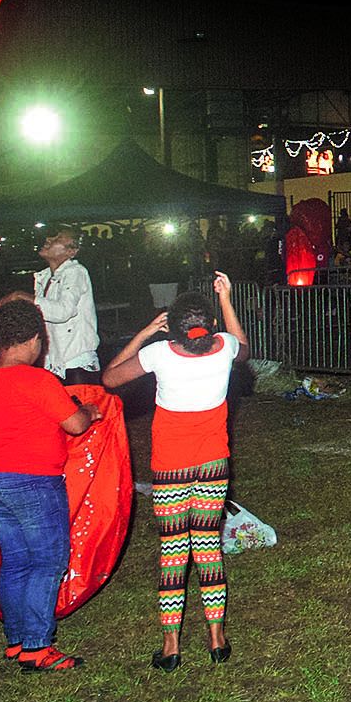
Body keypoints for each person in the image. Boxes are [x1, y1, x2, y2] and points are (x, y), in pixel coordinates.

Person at [104, 273, 248, 669]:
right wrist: (226, 301)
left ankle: (171, 646)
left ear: (174, 329)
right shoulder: (224, 348)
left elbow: (110, 377)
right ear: (210, 325)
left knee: (174, 551)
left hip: (171, 469)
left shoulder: (161, 353)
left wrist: (145, 332)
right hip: (214, 465)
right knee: (208, 546)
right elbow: (244, 347)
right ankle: (217, 638)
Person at [0, 300, 101, 671]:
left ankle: (16, 640)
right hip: (34, 481)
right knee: (48, 561)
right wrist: (89, 411)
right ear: (34, 341)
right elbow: (74, 424)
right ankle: (38, 646)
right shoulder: (39, 380)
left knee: (15, 560)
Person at [0, 226, 101, 385]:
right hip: (54, 362)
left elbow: (63, 311)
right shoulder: (44, 277)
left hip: (74, 363)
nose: (48, 241)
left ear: (71, 251)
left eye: (57, 239)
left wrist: (21, 296)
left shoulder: (75, 271)